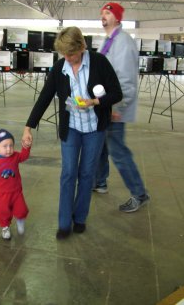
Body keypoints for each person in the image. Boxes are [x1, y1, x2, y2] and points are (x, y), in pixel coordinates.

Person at [21, 26, 122, 240]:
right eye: (64, 54)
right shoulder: (60, 68)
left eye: (72, 54)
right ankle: (64, 222)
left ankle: (80, 218)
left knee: (86, 174)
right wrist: (28, 127)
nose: (68, 58)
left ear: (82, 47)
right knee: (68, 174)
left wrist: (94, 102)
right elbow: (44, 97)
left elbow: (116, 93)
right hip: (72, 128)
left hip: (94, 128)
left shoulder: (99, 62)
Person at [93, 2, 150, 213]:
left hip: (115, 107)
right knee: (100, 144)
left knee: (117, 150)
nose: (103, 16)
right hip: (105, 104)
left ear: (117, 17)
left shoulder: (123, 42)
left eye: (107, 13)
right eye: (102, 13)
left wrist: (116, 105)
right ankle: (99, 181)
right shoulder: (108, 41)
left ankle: (139, 193)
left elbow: (125, 79)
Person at [0, 129, 31, 240]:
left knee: (21, 209)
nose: (9, 149)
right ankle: (5, 227)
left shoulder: (15, 156)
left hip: (16, 191)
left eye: (11, 145)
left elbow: (24, 156)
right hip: (1, 194)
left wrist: (26, 147)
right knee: (3, 212)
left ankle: (20, 221)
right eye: (5, 146)